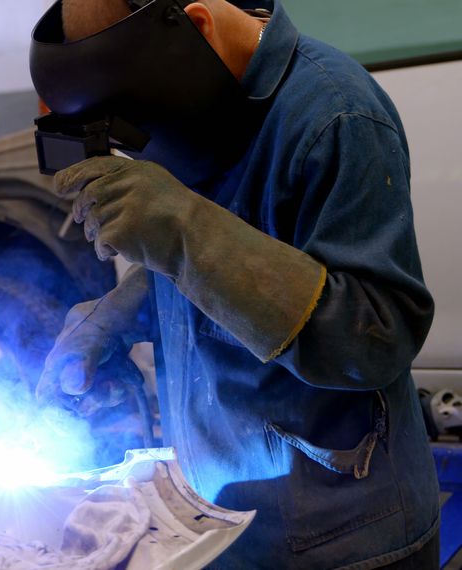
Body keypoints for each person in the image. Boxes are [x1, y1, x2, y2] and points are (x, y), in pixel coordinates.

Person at [31, 0, 440, 568]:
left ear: (196, 27)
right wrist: (115, 316)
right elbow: (206, 273)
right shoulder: (190, 105)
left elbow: (374, 336)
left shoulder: (334, 115)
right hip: (216, 525)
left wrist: (179, 227)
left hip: (339, 542)